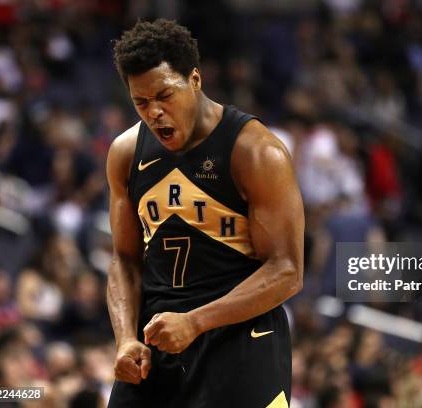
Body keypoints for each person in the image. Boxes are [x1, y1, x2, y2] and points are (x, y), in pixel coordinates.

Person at [105, 19, 304, 407]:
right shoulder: (125, 153)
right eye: (141, 102)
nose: (154, 112)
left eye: (164, 95)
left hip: (241, 340)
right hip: (157, 339)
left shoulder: (257, 152)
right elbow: (125, 260)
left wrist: (195, 321)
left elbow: (287, 271)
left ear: (194, 79)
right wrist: (126, 337)